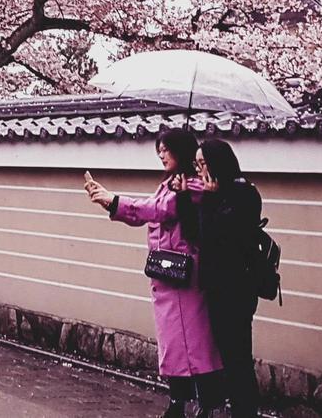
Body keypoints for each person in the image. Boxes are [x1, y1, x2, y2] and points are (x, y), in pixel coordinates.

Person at [85, 130, 225, 418]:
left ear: (180, 151)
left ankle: (207, 404)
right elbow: (145, 212)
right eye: (158, 150)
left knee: (196, 345)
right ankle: (179, 402)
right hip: (167, 276)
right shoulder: (169, 185)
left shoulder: (194, 186)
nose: (161, 155)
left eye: (165, 149)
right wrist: (109, 202)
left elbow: (157, 210)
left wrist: (114, 200)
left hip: (187, 279)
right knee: (175, 345)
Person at [187, 139, 265, 418]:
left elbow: (224, 238)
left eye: (203, 163)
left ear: (218, 162)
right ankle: (237, 407)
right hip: (218, 287)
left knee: (237, 355)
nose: (199, 170)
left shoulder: (244, 194)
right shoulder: (219, 194)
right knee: (228, 355)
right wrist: (188, 197)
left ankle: (245, 411)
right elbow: (196, 236)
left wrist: (210, 199)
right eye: (196, 164)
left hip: (237, 288)